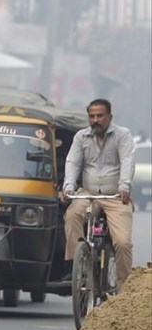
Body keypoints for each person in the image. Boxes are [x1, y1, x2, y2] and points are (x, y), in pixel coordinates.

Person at [61, 98, 136, 284]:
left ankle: (123, 289)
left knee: (123, 242)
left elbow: (127, 161)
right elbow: (73, 162)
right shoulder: (81, 137)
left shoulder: (122, 135)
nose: (96, 120)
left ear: (110, 116)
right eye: (92, 116)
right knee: (72, 216)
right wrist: (68, 187)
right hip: (88, 193)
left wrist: (124, 186)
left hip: (116, 196)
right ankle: (77, 264)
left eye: (100, 116)